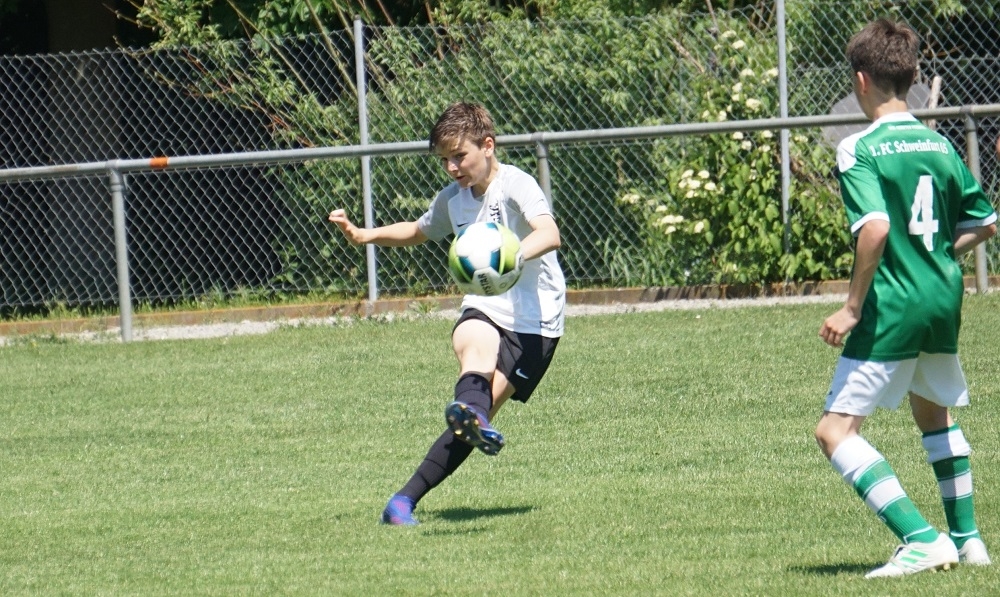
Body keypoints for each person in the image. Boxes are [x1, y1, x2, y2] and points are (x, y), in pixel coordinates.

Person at [815, 18, 997, 579]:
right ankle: (968, 541)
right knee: (932, 411)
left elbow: (874, 229)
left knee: (834, 431)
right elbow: (986, 223)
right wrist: (935, 254)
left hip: (893, 304)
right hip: (942, 297)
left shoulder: (859, 148)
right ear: (913, 76)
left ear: (861, 79)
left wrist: (851, 307)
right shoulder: (940, 144)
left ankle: (921, 540)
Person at [328, 101, 566, 526]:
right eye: (445, 160)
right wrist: (364, 235)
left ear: (487, 146)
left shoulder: (516, 184)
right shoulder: (453, 201)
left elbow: (549, 233)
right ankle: (407, 500)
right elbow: (417, 230)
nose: (452, 167)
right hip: (485, 303)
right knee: (473, 346)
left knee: (473, 422)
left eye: (459, 156)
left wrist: (510, 256)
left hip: (537, 320)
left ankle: (404, 497)